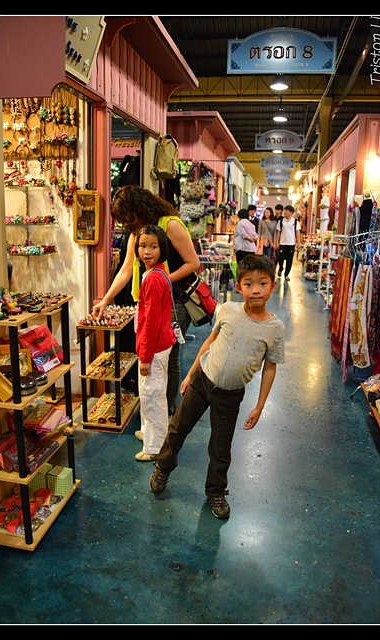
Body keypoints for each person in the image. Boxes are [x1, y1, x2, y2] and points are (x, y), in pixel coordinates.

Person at [149, 254, 285, 519]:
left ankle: (216, 491)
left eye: (262, 283)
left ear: (273, 285)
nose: (256, 290)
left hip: (230, 394)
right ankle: (163, 467)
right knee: (177, 428)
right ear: (239, 286)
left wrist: (260, 406)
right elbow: (209, 342)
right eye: (248, 284)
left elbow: (270, 367)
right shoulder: (228, 309)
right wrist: (190, 374)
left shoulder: (275, 328)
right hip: (202, 380)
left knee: (221, 447)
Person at [92, 185, 200, 415]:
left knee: (170, 355)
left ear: (140, 208)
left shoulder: (170, 225)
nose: (128, 223)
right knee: (149, 353)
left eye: (129, 217)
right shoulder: (137, 231)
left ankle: (166, 411)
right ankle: (152, 408)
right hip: (146, 301)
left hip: (175, 300)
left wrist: (161, 280)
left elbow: (193, 263)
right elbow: (126, 270)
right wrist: (106, 300)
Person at [134, 226, 176, 461]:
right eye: (143, 246)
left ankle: (155, 446)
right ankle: (149, 433)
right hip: (159, 344)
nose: (147, 251)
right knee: (151, 392)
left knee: (152, 395)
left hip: (155, 347)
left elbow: (151, 322)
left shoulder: (154, 278)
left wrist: (145, 356)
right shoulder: (157, 272)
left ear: (162, 249)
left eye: (153, 246)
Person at [276, 205, 301, 281]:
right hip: (282, 243)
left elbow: (297, 232)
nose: (285, 212)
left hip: (291, 244)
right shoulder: (281, 221)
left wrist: (298, 242)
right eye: (285, 210)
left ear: (291, 212)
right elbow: (278, 232)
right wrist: (277, 242)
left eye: (287, 210)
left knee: (289, 260)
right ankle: (281, 268)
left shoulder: (295, 222)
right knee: (281, 259)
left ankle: (286, 274)